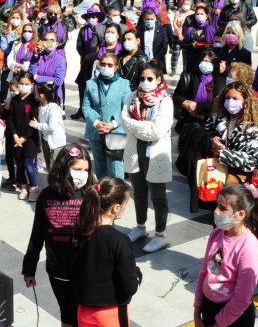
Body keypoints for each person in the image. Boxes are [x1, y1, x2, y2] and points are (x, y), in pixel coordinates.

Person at [23, 144, 96, 327]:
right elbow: (37, 234)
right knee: (68, 314)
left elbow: (103, 235)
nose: (82, 174)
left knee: (86, 316)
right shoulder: (46, 196)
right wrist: (29, 268)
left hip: (86, 270)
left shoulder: (91, 194)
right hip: (59, 269)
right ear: (64, 168)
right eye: (77, 169)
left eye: (86, 170)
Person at [71, 177, 140, 327]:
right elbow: (129, 286)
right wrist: (136, 276)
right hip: (111, 313)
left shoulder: (80, 233)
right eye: (125, 204)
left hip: (84, 310)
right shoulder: (120, 240)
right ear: (116, 208)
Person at [193, 184, 258, 327]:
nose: (216, 211)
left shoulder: (249, 248)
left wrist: (218, 324)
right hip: (209, 307)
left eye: (223, 208)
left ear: (240, 215)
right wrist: (197, 308)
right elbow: (204, 273)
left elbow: (241, 299)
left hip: (234, 317)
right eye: (217, 205)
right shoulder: (216, 234)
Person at [121, 63, 174, 254]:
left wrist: (136, 126)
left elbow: (157, 130)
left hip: (156, 154)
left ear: (159, 79)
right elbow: (124, 122)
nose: (145, 82)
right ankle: (140, 227)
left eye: (150, 78)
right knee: (139, 193)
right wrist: (145, 126)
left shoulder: (165, 101)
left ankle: (160, 234)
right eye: (142, 78)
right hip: (135, 151)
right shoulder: (131, 97)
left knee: (158, 196)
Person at [82, 52, 132, 179]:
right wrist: (96, 122)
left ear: (116, 67)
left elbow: (126, 108)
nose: (106, 67)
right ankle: (103, 190)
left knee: (115, 167)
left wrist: (113, 124)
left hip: (116, 131)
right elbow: (86, 107)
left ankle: (118, 191)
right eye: (103, 64)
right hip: (96, 131)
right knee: (100, 167)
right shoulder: (91, 84)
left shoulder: (123, 84)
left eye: (110, 65)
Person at [9, 72, 42, 201]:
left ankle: (33, 187)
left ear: (32, 85)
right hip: (16, 138)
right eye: (21, 83)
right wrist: (15, 135)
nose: (23, 86)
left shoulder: (34, 101)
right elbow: (10, 119)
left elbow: (33, 122)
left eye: (26, 84)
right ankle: (24, 186)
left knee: (28, 164)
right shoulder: (15, 99)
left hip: (30, 138)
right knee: (19, 164)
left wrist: (24, 138)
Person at [32, 82, 66, 168]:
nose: (34, 93)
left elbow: (51, 127)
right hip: (46, 141)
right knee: (49, 166)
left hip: (56, 144)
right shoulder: (41, 107)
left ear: (42, 95)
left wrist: (37, 125)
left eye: (36, 92)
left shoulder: (53, 109)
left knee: (54, 168)